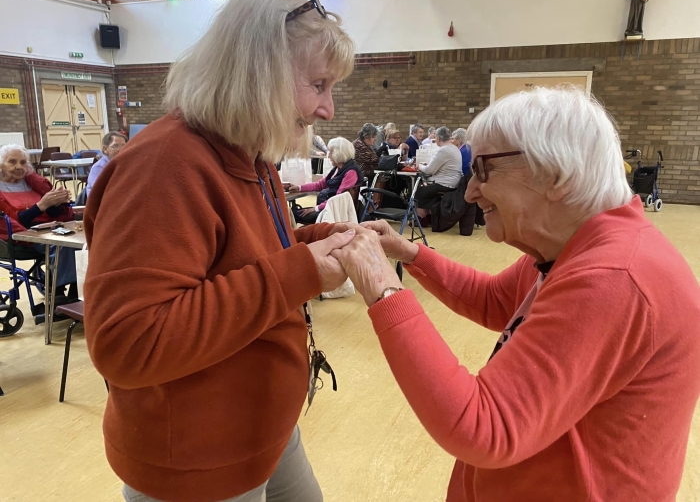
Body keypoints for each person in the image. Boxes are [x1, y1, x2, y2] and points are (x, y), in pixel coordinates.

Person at [330, 88, 700, 501]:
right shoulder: (574, 245)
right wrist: (408, 252)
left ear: (556, 174)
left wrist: (384, 289)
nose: (469, 192)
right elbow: (496, 300)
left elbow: (485, 426)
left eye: (483, 171)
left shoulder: (614, 277)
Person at [83, 0, 356, 502]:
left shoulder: (250, 156)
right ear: (261, 73)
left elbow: (242, 256)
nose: (327, 109)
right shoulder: (165, 164)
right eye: (318, 85)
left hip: (264, 431)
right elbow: (128, 343)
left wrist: (324, 240)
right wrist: (301, 271)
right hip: (195, 457)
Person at [0, 144, 77, 301]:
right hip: (18, 234)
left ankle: (77, 293)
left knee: (83, 242)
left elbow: (51, 214)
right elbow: (13, 220)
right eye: (12, 162)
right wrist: (42, 205)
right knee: (62, 244)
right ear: (1, 165)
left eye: (23, 162)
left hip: (47, 229)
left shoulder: (32, 183)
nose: (18, 167)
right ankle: (58, 293)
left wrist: (55, 203)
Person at [289, 136, 363, 224]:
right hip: (328, 208)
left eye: (331, 152)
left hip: (335, 213)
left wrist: (315, 209)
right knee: (292, 212)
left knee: (292, 214)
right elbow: (320, 185)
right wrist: (299, 187)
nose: (329, 155)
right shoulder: (338, 168)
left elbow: (337, 199)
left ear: (339, 153)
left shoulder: (351, 172)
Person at [414, 126, 463, 221]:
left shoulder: (443, 150)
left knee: (419, 191)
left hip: (445, 183)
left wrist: (419, 166)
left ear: (438, 138)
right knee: (425, 188)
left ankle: (422, 219)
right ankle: (428, 215)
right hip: (454, 182)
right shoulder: (454, 148)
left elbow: (429, 170)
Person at [86, 131, 127, 197]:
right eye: (115, 146)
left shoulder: (124, 164)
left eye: (124, 146)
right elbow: (98, 192)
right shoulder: (99, 167)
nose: (121, 149)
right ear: (105, 149)